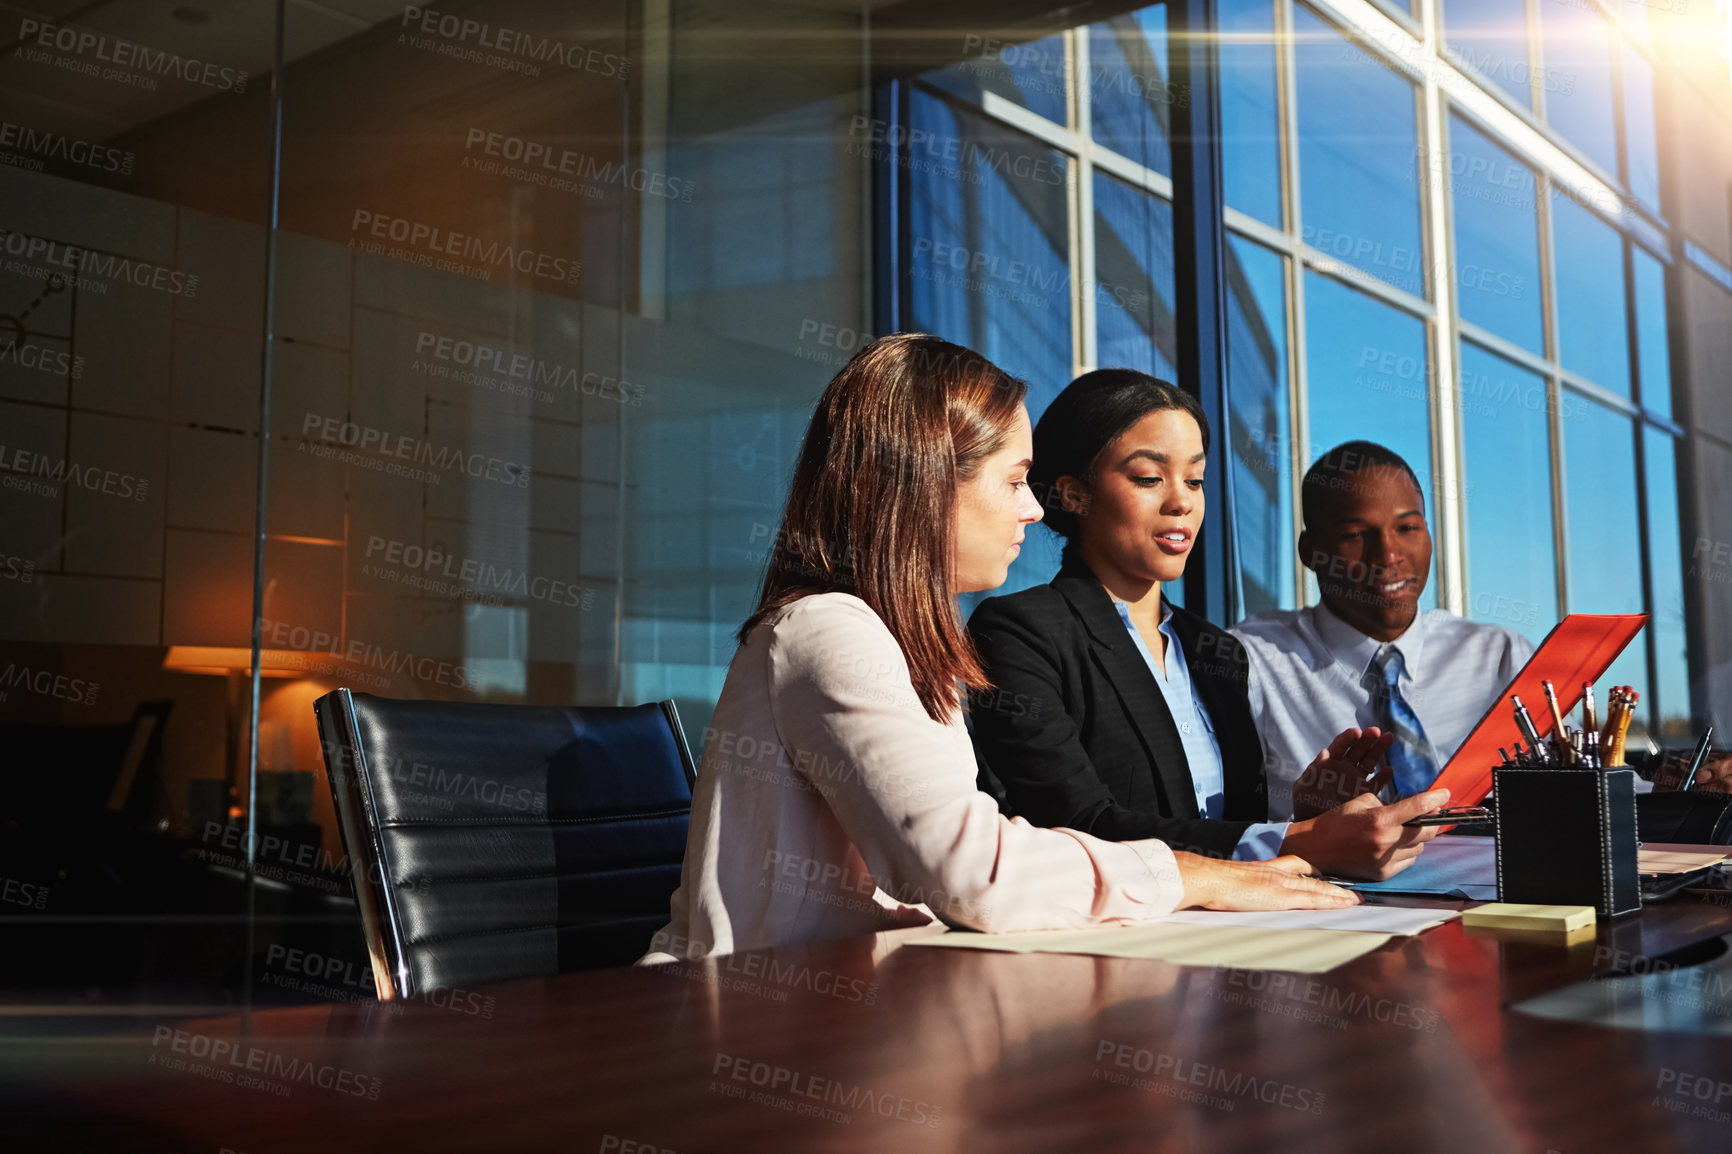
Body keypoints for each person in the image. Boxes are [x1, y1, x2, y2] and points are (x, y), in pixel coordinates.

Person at [641, 336, 1359, 964]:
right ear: (927, 483)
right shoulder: (829, 630)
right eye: (1014, 481)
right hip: (752, 1023)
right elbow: (970, 870)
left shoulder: (910, 642)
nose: (1035, 509)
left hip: (870, 1001)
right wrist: (1194, 875)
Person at [968, 370, 1448, 882]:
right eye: (1149, 478)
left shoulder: (1216, 650)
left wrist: (1307, 816)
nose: (1182, 502)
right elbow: (1077, 828)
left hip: (1243, 922)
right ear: (1073, 494)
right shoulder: (1020, 633)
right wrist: (1301, 839)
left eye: (1194, 479)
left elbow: (1233, 833)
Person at [1234, 441, 1536, 821]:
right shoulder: (1253, 662)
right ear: (1310, 552)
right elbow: (1216, 829)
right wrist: (1309, 830)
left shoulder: (1502, 659)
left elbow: (1576, 788)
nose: (1388, 554)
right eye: (1356, 534)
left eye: (1408, 527)